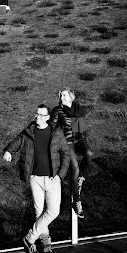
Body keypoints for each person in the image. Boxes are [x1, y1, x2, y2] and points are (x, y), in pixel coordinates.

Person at [3, 104, 70, 253]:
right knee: (39, 212)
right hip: (35, 178)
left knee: (53, 211)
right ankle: (46, 245)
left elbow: (66, 154)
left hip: (53, 178)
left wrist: (60, 175)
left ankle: (30, 238)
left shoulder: (56, 132)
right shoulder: (29, 132)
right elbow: (15, 143)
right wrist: (7, 151)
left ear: (47, 117)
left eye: (41, 115)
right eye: (36, 114)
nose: (37, 117)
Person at [50, 88, 93, 219]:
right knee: (74, 167)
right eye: (60, 95)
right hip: (67, 141)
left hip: (79, 139)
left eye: (64, 95)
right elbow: (52, 126)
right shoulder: (57, 110)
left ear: (71, 97)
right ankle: (77, 201)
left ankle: (81, 178)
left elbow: (83, 127)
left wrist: (84, 140)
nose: (61, 97)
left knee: (89, 154)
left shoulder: (78, 109)